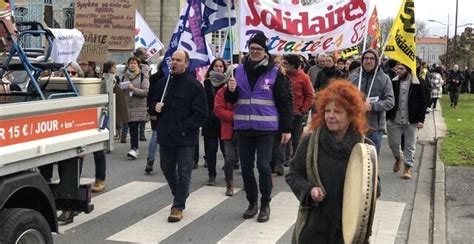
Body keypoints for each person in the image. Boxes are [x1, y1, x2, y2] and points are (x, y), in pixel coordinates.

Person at [286, 80, 370, 243]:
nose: (330, 116)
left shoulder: (364, 148)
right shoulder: (310, 142)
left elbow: (375, 187)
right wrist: (309, 190)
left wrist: (363, 194)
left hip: (349, 228)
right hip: (315, 225)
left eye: (337, 112)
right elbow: (293, 175)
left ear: (351, 114)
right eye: (327, 111)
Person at [225, 32, 293, 222]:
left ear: (265, 51)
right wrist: (230, 91)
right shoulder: (237, 71)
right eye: (252, 48)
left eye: (259, 49)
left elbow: (285, 102)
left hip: (266, 129)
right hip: (244, 128)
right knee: (246, 169)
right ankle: (252, 202)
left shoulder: (275, 72)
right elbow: (231, 100)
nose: (254, 51)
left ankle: (265, 203)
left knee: (263, 166)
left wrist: (287, 129)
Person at [149, 49, 208, 222]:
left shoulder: (194, 86)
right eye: (172, 60)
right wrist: (154, 108)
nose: (174, 63)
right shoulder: (162, 83)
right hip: (166, 135)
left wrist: (184, 128)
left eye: (178, 60)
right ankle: (180, 192)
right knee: (167, 168)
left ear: (186, 64)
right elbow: (151, 104)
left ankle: (178, 206)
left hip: (185, 137)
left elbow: (201, 114)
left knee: (184, 172)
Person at [348, 48, 394, 155]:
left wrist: (372, 106)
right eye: (366, 58)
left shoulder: (384, 79)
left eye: (372, 59)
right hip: (354, 125)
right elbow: (344, 98)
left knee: (371, 161)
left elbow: (390, 101)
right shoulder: (353, 77)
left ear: (376, 61)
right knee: (354, 158)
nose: (368, 61)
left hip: (375, 127)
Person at [386, 63, 427, 179]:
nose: (398, 70)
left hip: (411, 120)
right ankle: (398, 157)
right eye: (397, 68)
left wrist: (421, 119)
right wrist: (387, 116)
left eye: (401, 69)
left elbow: (423, 101)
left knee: (410, 145)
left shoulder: (418, 82)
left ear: (408, 70)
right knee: (393, 143)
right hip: (394, 119)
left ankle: (407, 167)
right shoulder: (393, 81)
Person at [281, 54, 314, 157]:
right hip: (284, 112)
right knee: (284, 138)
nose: (283, 65)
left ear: (293, 65)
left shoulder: (304, 77)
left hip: (297, 113)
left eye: (285, 63)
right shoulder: (281, 75)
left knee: (296, 138)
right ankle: (283, 160)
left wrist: (303, 110)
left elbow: (310, 95)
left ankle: (296, 158)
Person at [202, 58, 228, 185]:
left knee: (226, 150)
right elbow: (202, 102)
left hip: (224, 122)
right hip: (210, 121)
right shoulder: (206, 83)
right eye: (216, 66)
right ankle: (211, 175)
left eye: (221, 66)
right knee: (211, 150)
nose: (218, 68)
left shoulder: (228, 83)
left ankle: (228, 173)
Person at [121, 56, 149, 159]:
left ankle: (134, 149)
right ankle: (134, 148)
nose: (132, 65)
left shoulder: (142, 76)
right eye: (131, 63)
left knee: (134, 127)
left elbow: (146, 92)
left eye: (134, 63)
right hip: (128, 106)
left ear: (138, 65)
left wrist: (133, 89)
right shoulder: (124, 76)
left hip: (138, 107)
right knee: (131, 127)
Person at [214, 83, 239, 196]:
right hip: (228, 129)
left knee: (246, 158)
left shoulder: (244, 90)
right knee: (229, 158)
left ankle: (250, 182)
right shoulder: (222, 92)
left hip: (244, 129)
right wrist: (234, 116)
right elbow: (218, 110)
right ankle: (229, 184)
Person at [145, 56, 164, 173]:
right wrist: (151, 111)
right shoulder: (161, 78)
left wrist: (150, 111)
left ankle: (151, 160)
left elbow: (150, 95)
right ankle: (152, 160)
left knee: (155, 135)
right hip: (158, 110)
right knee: (157, 136)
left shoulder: (154, 77)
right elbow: (151, 95)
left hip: (156, 110)